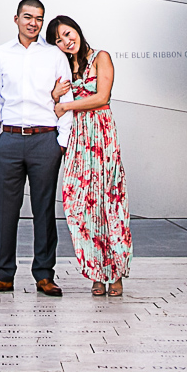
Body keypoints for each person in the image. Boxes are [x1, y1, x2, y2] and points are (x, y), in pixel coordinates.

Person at [0, 0, 72, 297]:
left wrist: (61, 142)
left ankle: (44, 274)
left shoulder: (55, 55)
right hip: (10, 141)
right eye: (27, 17)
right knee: (6, 210)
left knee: (44, 210)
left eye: (39, 18)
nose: (33, 23)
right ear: (15, 18)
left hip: (45, 140)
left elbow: (66, 101)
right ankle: (2, 274)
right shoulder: (1, 54)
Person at [47, 15, 132, 297]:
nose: (65, 41)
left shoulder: (101, 57)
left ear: (77, 31)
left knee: (108, 204)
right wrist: (55, 95)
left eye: (67, 34)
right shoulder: (63, 66)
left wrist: (66, 104)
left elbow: (102, 97)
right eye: (58, 39)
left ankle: (115, 273)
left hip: (102, 135)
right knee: (80, 204)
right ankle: (96, 271)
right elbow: (52, 100)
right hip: (78, 139)